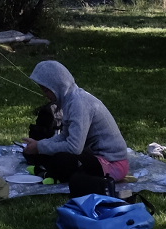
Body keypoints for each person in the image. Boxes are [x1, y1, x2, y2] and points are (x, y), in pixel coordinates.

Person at [24, 60, 131, 189]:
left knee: (62, 160)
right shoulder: (69, 100)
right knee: (35, 154)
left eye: (46, 90)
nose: (45, 95)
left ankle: (51, 172)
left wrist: (40, 147)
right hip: (92, 156)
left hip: (112, 162)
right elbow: (65, 136)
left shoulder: (79, 103)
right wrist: (38, 145)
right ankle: (52, 171)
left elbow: (74, 148)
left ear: (57, 86)